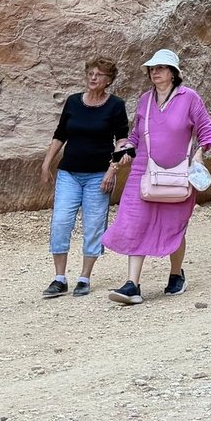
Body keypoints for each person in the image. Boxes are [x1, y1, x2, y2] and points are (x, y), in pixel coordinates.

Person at [103, 49, 211, 304]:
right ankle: (132, 285)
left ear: (173, 73)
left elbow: (208, 132)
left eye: (161, 68)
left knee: (173, 226)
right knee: (135, 222)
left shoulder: (190, 98)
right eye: (152, 68)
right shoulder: (145, 99)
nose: (155, 72)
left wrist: (199, 155)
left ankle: (176, 274)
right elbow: (135, 135)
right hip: (142, 171)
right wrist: (124, 150)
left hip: (178, 173)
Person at [41, 56, 129, 298]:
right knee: (60, 222)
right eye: (90, 73)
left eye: (99, 75)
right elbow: (60, 134)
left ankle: (84, 277)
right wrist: (47, 162)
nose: (93, 78)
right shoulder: (72, 102)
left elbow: (122, 139)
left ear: (109, 81)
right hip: (69, 172)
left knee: (93, 225)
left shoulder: (115, 106)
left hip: (99, 175)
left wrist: (113, 169)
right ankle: (59, 278)